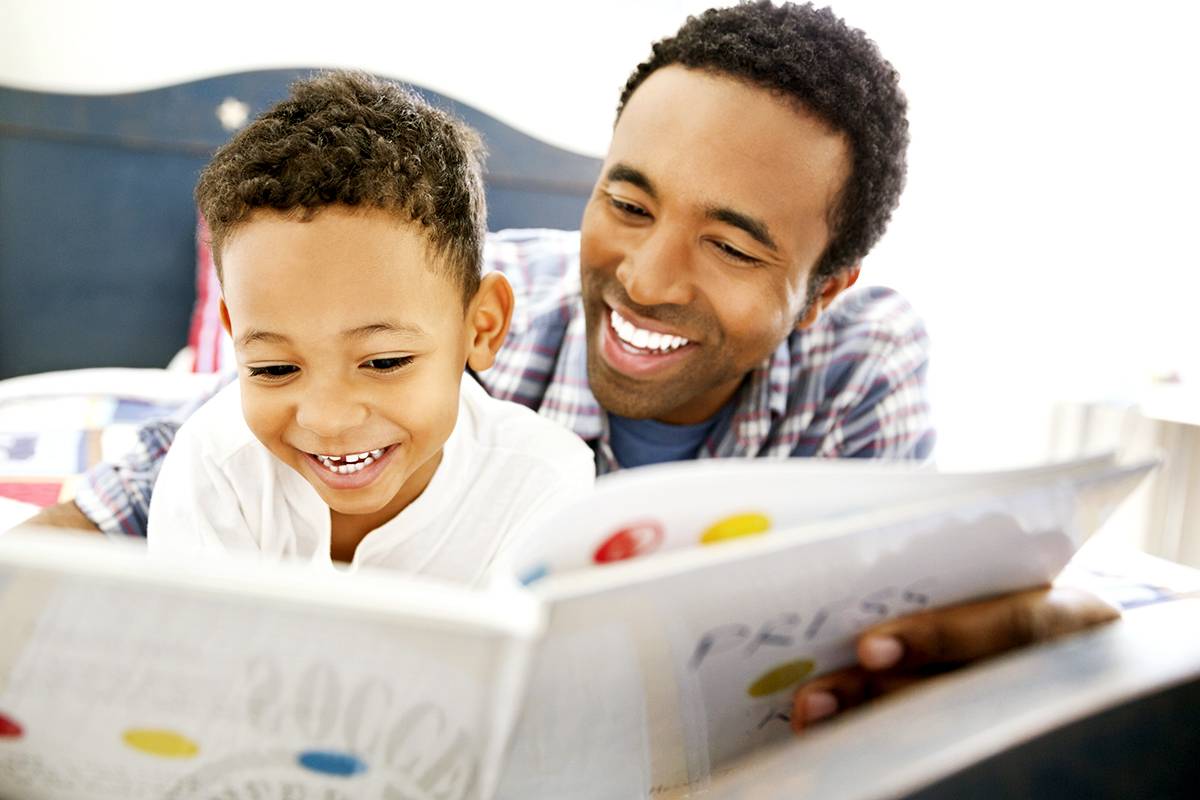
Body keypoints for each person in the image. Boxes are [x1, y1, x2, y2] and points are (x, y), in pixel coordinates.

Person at [19, 0, 1118, 728]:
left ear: (824, 285)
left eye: (732, 245)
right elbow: (168, 468)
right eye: (627, 200)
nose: (645, 275)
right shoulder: (475, 300)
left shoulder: (863, 363)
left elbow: (899, 606)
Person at [145, 71, 595, 584]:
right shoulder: (214, 466)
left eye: (384, 361)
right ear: (233, 336)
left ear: (482, 326)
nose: (329, 419)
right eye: (274, 368)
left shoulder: (543, 485)